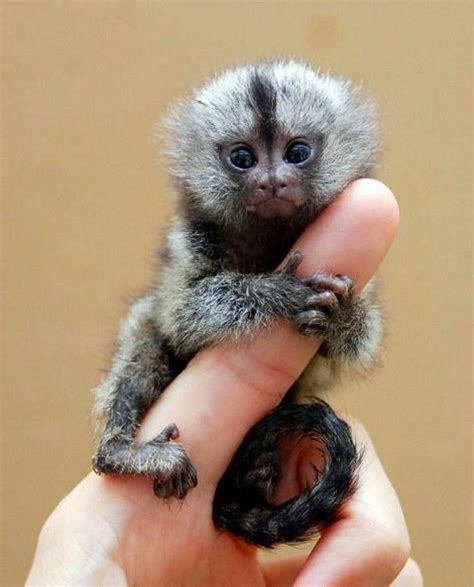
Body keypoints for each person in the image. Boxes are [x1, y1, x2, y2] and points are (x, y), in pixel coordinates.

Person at [26, 180, 422, 586]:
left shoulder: (335, 253)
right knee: (146, 318)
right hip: (168, 388)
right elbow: (182, 319)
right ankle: (118, 444)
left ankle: (249, 483)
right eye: (243, 159)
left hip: (245, 453)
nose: (272, 178)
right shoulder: (202, 232)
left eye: (298, 153)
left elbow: (357, 350)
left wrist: (344, 320)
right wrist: (266, 293)